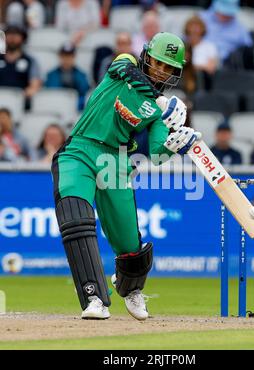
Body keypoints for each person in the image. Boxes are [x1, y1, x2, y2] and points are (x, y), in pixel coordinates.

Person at [51, 32, 201, 321]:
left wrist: (175, 142)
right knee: (76, 217)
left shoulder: (159, 114)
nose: (161, 71)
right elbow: (120, 67)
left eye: (169, 68)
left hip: (115, 161)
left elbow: (156, 154)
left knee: (129, 241)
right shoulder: (126, 65)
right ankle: (93, 297)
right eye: (158, 62)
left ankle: (130, 289)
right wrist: (157, 98)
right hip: (80, 148)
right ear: (146, 56)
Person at [0, 25, 42, 108]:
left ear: (23, 38)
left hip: (19, 103)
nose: (12, 38)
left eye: (16, 34)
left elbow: (34, 85)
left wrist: (19, 96)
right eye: (9, 34)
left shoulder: (30, 61)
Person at [45, 43, 90, 110]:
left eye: (69, 56)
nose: (66, 59)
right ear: (60, 57)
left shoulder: (82, 75)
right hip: (56, 106)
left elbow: (84, 90)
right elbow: (51, 92)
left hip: (76, 108)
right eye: (64, 56)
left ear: (74, 57)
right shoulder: (51, 75)